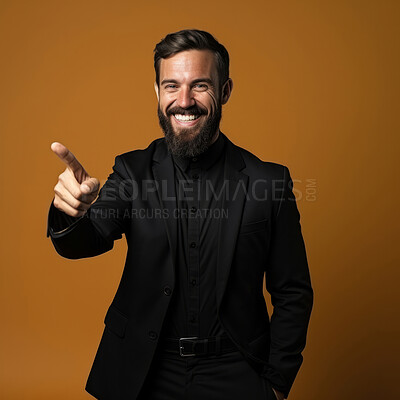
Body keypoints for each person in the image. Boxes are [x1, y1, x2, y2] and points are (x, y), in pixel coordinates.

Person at [47, 29, 313, 400]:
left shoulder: (268, 181)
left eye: (199, 85)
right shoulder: (131, 172)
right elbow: (83, 242)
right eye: (171, 86)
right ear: (157, 93)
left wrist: (278, 381)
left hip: (236, 370)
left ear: (225, 91)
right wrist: (68, 210)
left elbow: (292, 291)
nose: (183, 100)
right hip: (143, 370)